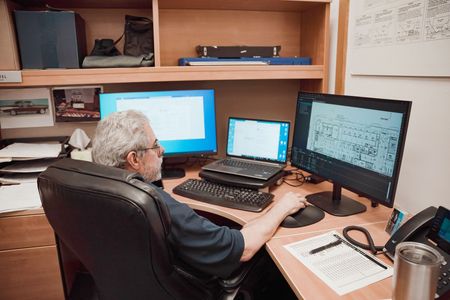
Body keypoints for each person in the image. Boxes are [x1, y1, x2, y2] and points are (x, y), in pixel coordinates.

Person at [92, 110, 306, 279]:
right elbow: (245, 248)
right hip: (192, 287)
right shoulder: (160, 206)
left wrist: (254, 222)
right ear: (134, 159)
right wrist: (281, 208)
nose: (162, 149)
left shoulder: (98, 188)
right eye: (155, 145)